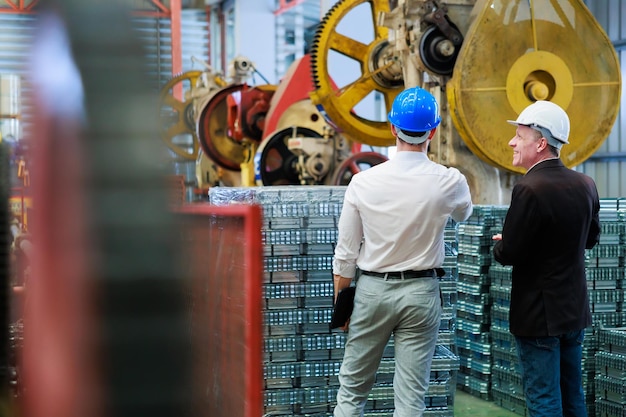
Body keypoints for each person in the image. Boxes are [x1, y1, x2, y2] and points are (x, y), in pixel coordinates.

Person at [332, 86, 473, 417]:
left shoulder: (363, 183)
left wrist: (342, 304)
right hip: (422, 294)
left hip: (372, 292)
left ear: (393, 128)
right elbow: (464, 213)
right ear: (433, 132)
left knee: (352, 391)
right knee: (411, 398)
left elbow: (346, 253)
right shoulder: (449, 181)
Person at [492, 100, 600, 417]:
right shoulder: (586, 184)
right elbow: (589, 239)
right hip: (573, 311)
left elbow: (509, 253)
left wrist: (503, 242)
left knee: (543, 401)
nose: (512, 142)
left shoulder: (529, 188)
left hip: (539, 316)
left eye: (520, 136)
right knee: (572, 397)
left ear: (540, 143)